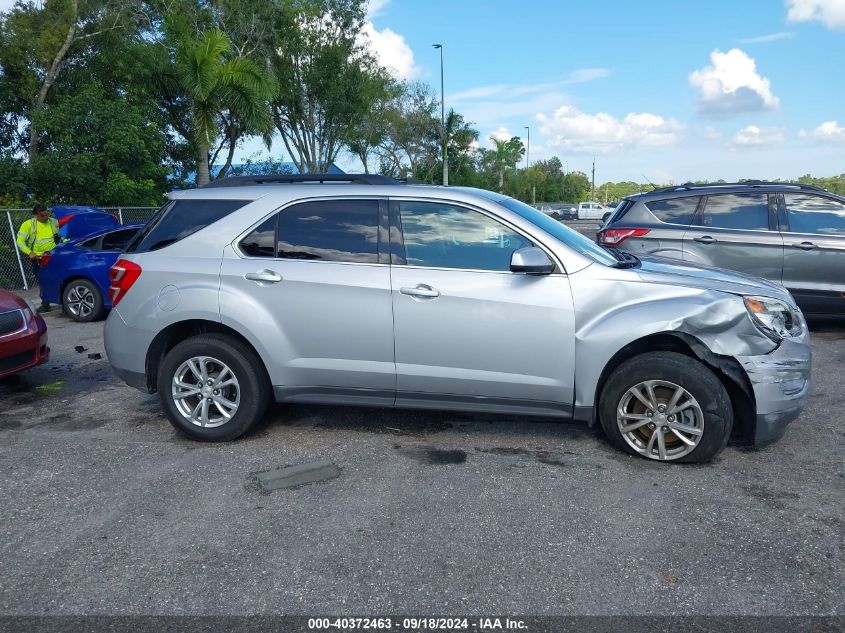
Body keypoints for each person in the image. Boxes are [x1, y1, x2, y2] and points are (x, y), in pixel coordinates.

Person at [16, 204, 61, 313]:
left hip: (54, 256)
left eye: (46, 215)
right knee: (43, 281)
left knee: (59, 279)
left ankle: (63, 301)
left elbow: (64, 236)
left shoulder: (54, 222)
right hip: (38, 259)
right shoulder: (28, 225)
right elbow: (20, 242)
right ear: (35, 215)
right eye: (42, 216)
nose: (45, 218)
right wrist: (29, 252)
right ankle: (45, 304)